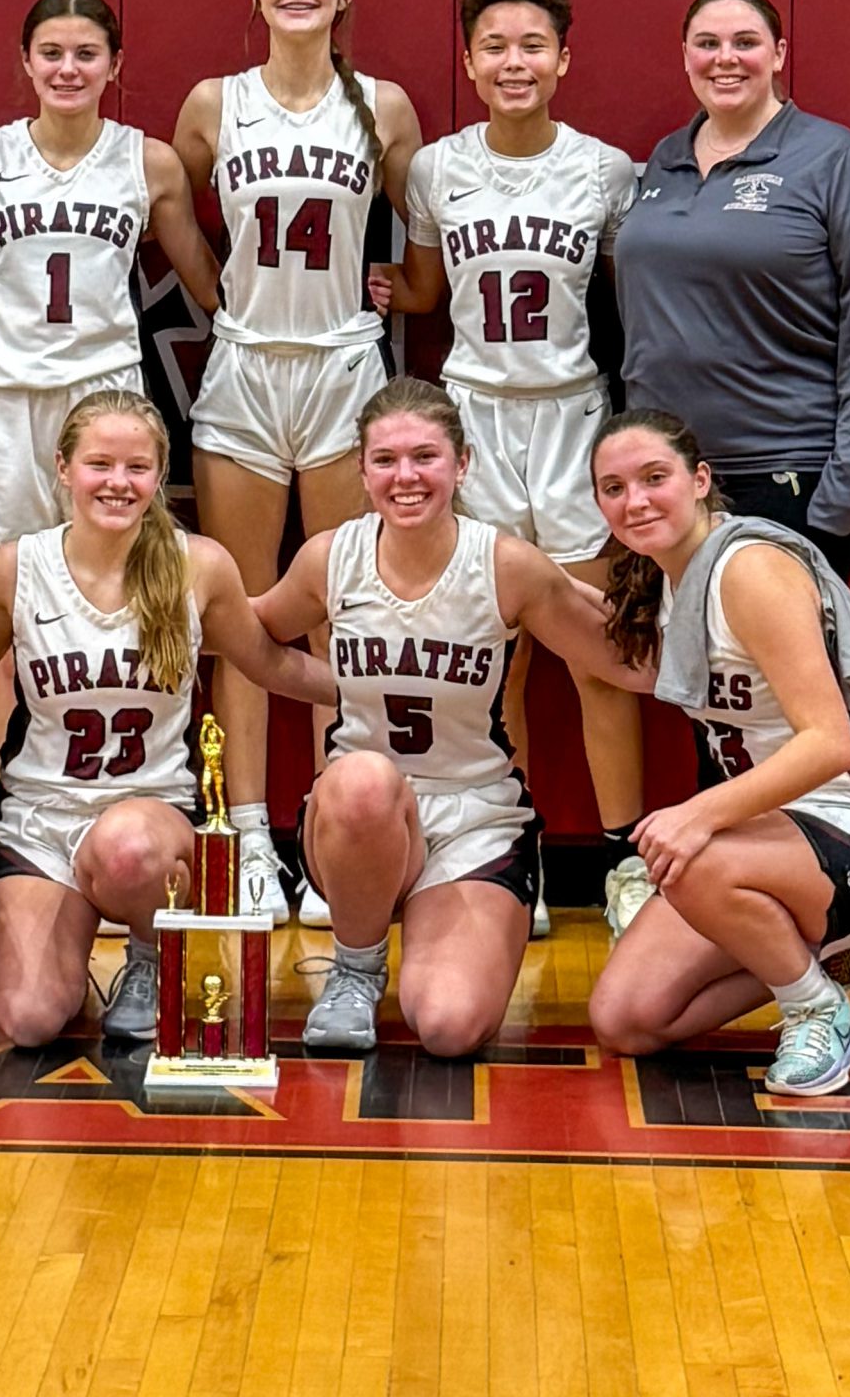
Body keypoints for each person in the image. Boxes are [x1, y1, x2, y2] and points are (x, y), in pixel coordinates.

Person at [253, 379, 635, 1057]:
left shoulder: (506, 564)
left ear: (462, 466)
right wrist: (330, 686)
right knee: (365, 778)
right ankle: (354, 970)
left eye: (425, 457)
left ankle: (479, 911)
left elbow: (619, 661)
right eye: (386, 459)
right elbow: (255, 638)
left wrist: (722, 613)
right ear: (362, 471)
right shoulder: (329, 557)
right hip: (359, 814)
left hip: (477, 814)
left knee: (449, 1027)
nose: (406, 476)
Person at [173, 0, 423, 925]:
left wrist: (402, 289)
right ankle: (243, 839)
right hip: (243, 362)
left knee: (335, 609)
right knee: (241, 614)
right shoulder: (211, 105)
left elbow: (430, 221)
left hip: (339, 365)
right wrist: (214, 294)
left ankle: (332, 834)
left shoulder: (384, 107)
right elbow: (176, 213)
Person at [584, 410, 850, 1098]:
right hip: (775, 841)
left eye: (654, 478)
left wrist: (700, 812)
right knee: (625, 1019)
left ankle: (817, 1008)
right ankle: (842, 948)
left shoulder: (749, 568)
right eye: (614, 487)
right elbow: (575, 627)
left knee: (691, 852)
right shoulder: (660, 581)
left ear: (700, 480)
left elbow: (831, 743)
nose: (635, 500)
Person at [0, 389, 335, 1048]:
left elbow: (269, 664)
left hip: (148, 823)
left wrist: (367, 688)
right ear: (62, 468)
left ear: (159, 476)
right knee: (29, 1021)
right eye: (99, 464)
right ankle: (63, 936)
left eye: (136, 467)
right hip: (36, 822)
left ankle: (147, 956)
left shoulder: (198, 566)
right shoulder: (13, 571)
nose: (117, 482)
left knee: (129, 850)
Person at [389, 0, 643, 905]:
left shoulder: (608, 170)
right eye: (494, 46)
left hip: (573, 415)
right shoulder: (436, 169)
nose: (513, 62)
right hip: (475, 421)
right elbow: (423, 293)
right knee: (490, 661)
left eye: (533, 45)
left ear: (565, 58)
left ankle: (624, 865)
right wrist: (385, 288)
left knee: (598, 655)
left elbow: (632, 302)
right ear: (467, 60)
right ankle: (511, 856)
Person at [615, 0, 850, 583]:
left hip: (786, 478)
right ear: (685, 56)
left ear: (778, 54)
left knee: (781, 677)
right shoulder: (665, 160)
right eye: (708, 43)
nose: (725, 58)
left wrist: (840, 506)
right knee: (688, 676)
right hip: (666, 481)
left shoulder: (836, 161)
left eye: (745, 42)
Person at [0, 0, 222, 548]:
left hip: (107, 389)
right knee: (16, 563)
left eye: (86, 54)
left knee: (114, 560)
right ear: (26, 60)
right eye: (51, 53)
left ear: (114, 64)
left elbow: (214, 289)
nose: (67, 70)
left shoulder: (149, 162)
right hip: (13, 391)